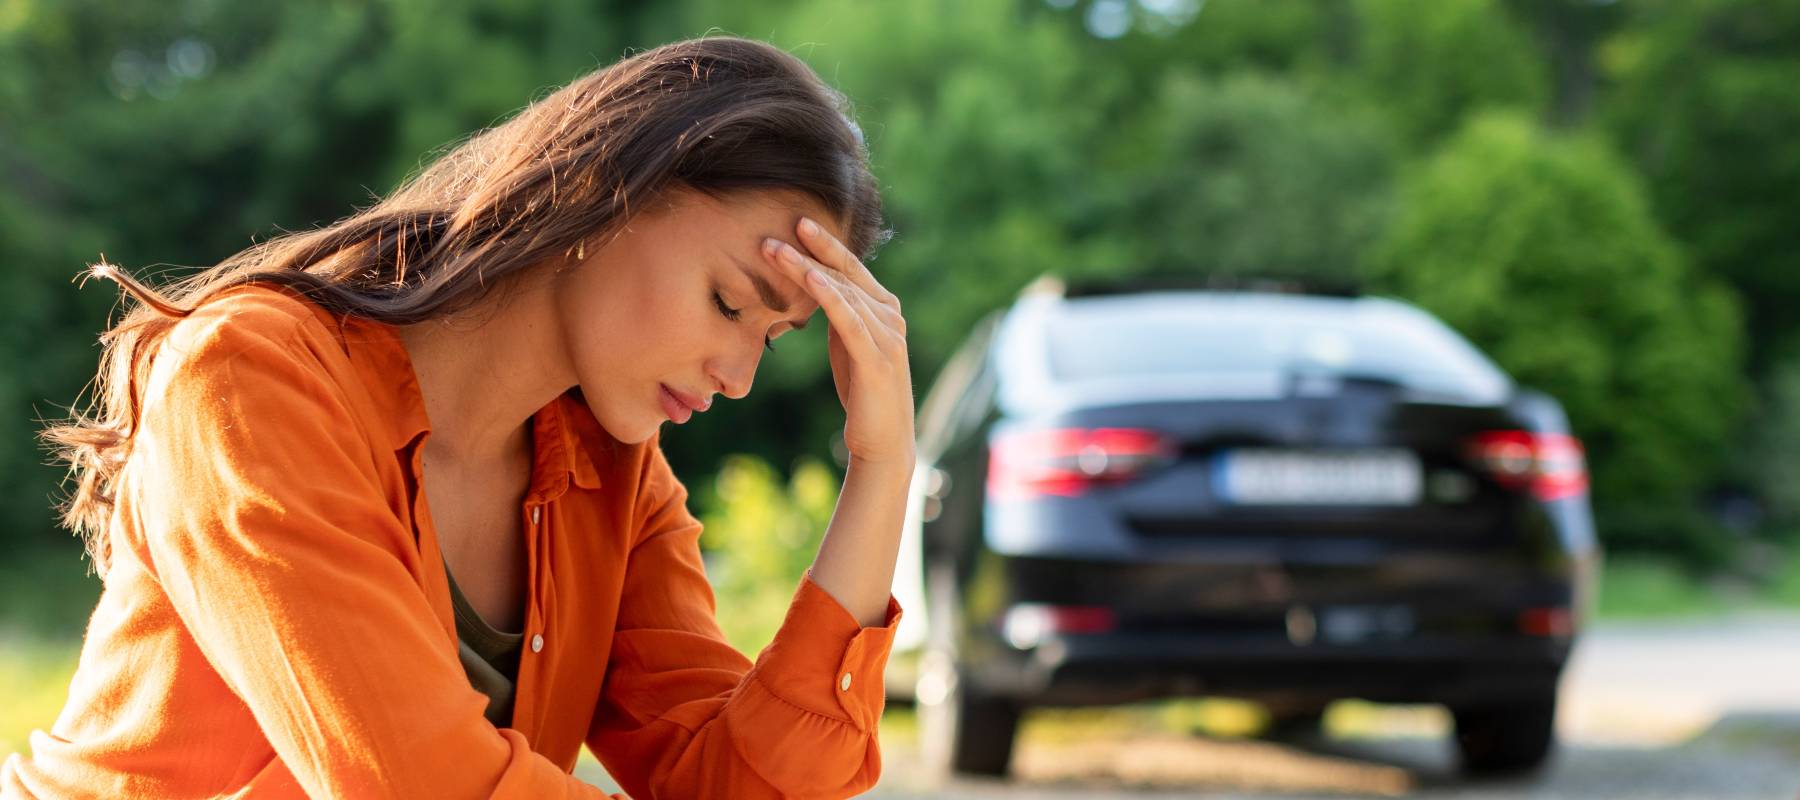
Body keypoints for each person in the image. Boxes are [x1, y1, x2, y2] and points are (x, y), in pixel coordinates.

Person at [2, 35, 913, 799]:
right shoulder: (252, 379)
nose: (742, 376)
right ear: (616, 188)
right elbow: (415, 781)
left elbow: (744, 786)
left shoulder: (615, 478)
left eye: (773, 338)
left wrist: (882, 468)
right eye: (728, 303)